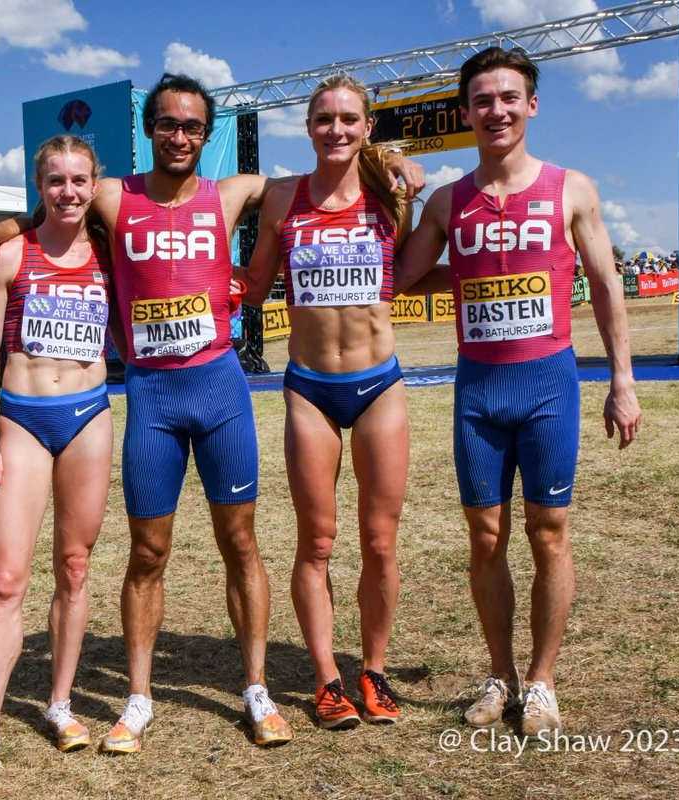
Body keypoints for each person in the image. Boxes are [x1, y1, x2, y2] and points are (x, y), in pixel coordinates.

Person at [0, 72, 425, 753]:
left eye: (192, 127)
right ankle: (139, 697)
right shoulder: (114, 196)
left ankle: (257, 689)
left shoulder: (235, 191)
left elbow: (328, 170)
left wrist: (391, 159)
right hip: (153, 398)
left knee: (241, 543)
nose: (179, 136)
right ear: (149, 130)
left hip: (219, 393)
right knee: (148, 553)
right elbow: (50, 212)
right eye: (168, 124)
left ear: (207, 137)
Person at [393, 47, 641, 736]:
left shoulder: (572, 189)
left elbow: (608, 286)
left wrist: (622, 381)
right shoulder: (449, 201)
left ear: (531, 105)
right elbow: (401, 277)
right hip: (479, 391)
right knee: (485, 535)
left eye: (509, 98)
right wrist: (409, 205)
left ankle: (542, 682)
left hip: (548, 386)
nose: (495, 110)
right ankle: (500, 674)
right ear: (466, 112)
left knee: (549, 531)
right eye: (482, 100)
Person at [241, 74, 411, 731]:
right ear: (307, 127)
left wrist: (406, 168)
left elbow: (422, 238)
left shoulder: (391, 190)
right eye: (323, 119)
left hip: (379, 387)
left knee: (379, 541)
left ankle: (373, 671)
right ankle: (326, 680)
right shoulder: (284, 198)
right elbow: (255, 287)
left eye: (348, 118)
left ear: (367, 126)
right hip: (310, 388)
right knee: (316, 541)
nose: (335, 129)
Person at [0, 134, 113, 788]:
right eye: (56, 181)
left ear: (93, 184)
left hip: (88, 420)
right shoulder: (10, 255)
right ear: (39, 186)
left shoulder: (110, 253)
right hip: (22, 420)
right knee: (7, 579)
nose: (69, 192)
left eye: (80, 181)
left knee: (74, 567)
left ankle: (60, 703)